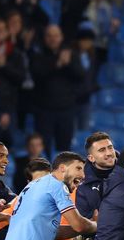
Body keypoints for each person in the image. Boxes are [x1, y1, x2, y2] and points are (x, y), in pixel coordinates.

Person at [31, 25, 85, 155]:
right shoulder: (38, 55)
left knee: (65, 151)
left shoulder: (71, 54)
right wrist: (57, 64)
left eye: (56, 35)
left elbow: (81, 75)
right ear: (44, 38)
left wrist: (68, 64)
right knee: (43, 151)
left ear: (61, 37)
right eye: (49, 36)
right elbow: (37, 74)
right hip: (44, 110)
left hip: (66, 110)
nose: (53, 39)